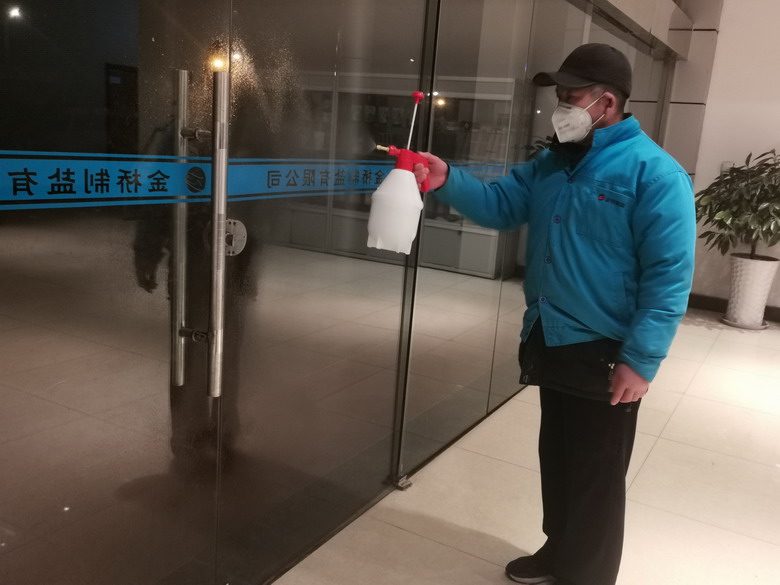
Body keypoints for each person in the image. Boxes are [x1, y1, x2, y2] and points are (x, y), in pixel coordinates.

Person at [413, 43, 696, 585]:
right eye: (559, 95)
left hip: (606, 348)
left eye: (572, 96)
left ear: (607, 102)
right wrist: (447, 178)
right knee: (560, 455)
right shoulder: (552, 162)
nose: (560, 106)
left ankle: (587, 574)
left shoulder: (655, 174)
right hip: (549, 333)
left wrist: (641, 360)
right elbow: (500, 205)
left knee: (597, 471)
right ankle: (559, 550)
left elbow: (669, 276)